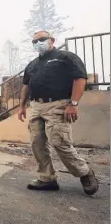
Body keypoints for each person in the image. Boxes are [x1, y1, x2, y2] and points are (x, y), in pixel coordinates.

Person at [17, 30, 99, 195]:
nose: (37, 43)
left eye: (41, 39)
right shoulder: (32, 64)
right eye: (34, 42)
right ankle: (47, 178)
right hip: (36, 106)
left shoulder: (66, 57)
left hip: (58, 105)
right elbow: (26, 85)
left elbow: (79, 78)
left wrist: (73, 104)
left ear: (52, 40)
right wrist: (21, 106)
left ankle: (84, 172)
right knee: (37, 143)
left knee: (59, 142)